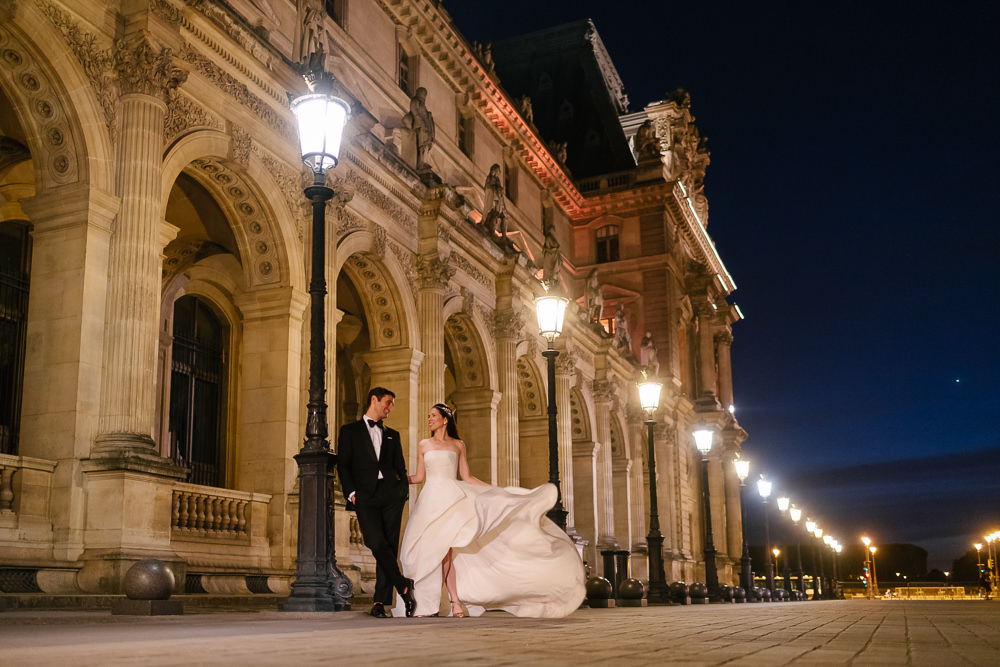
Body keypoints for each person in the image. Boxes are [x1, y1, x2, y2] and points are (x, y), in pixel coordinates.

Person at [395, 404, 586, 618]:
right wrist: (397, 480)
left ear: (445, 419)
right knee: (427, 551)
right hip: (429, 502)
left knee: (445, 551)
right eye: (428, 416)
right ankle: (433, 602)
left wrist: (496, 491)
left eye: (433, 415)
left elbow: (466, 477)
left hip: (451, 500)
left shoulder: (458, 445)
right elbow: (419, 477)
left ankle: (449, 601)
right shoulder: (424, 444)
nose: (429, 419)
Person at [337, 387, 415, 618]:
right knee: (375, 542)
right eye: (388, 403)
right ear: (374, 399)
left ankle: (379, 602)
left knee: (389, 546)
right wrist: (351, 493)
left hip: (391, 495)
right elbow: (343, 464)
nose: (390, 408)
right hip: (365, 496)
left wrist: (402, 491)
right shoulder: (349, 431)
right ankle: (402, 585)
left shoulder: (393, 434)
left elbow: (400, 467)